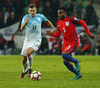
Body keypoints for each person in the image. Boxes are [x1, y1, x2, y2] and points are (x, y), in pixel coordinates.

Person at [46, 7, 95, 80]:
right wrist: (51, 34)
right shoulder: (58, 22)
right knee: (65, 62)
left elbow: (82, 22)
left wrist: (88, 33)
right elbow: (58, 35)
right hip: (66, 43)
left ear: (65, 13)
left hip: (73, 42)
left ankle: (76, 61)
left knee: (64, 54)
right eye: (58, 13)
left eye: (61, 13)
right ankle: (78, 74)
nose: (59, 14)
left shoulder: (70, 19)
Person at [19, 4, 56, 78]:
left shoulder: (40, 16)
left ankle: (30, 68)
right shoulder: (25, 17)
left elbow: (47, 21)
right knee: (23, 59)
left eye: (33, 11)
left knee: (28, 52)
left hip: (37, 40)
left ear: (36, 10)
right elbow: (21, 28)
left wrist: (53, 28)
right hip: (27, 40)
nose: (32, 12)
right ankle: (24, 71)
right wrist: (26, 22)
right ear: (28, 11)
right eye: (31, 11)